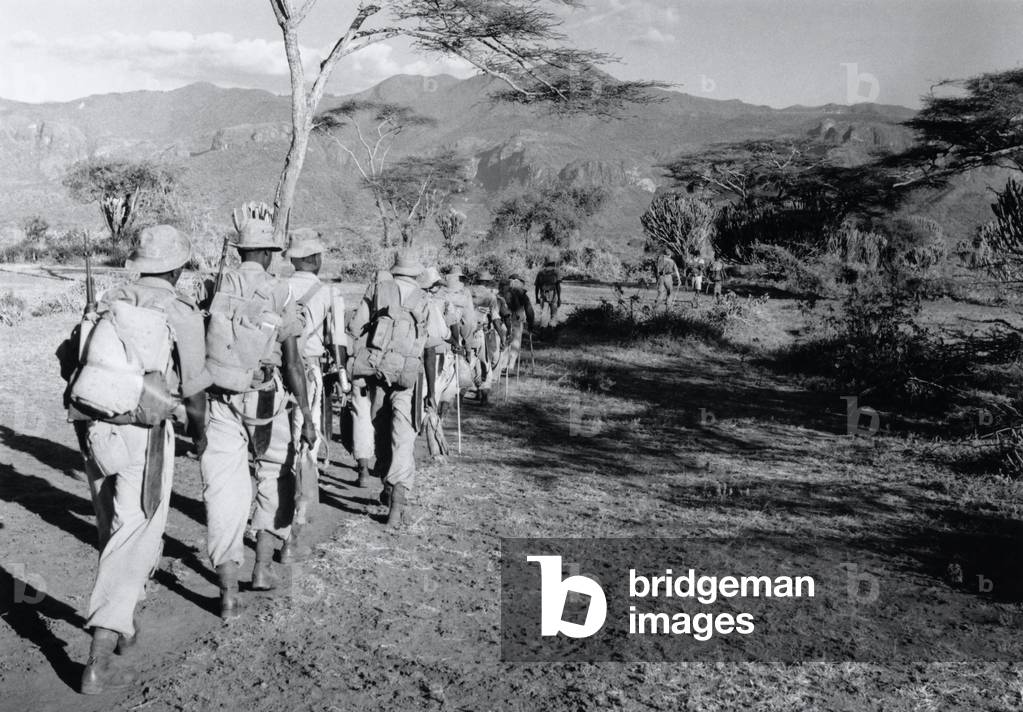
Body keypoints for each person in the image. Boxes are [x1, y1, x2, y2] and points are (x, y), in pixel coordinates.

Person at [62, 225, 210, 694]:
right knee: (135, 534)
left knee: (113, 526)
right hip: (144, 435)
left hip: (93, 428)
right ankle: (99, 657)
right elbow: (194, 389)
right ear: (178, 266)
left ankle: (123, 624)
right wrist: (200, 436)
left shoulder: (110, 299)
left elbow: (71, 362)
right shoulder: (179, 311)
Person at [199, 202, 315, 618]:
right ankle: (263, 568)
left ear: (238, 251)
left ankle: (227, 593)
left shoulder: (217, 286)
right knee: (273, 475)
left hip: (219, 399)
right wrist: (307, 414)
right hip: (265, 398)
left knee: (225, 492)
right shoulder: (280, 291)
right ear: (267, 254)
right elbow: (292, 361)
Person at [348, 253, 440, 526]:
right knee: (403, 437)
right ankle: (397, 506)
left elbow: (355, 327)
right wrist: (432, 391)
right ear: (416, 274)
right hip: (409, 378)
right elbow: (431, 348)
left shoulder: (377, 290)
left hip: (376, 372)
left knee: (381, 427)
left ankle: (386, 486)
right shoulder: (424, 299)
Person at [283, 228, 348, 562]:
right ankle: (298, 514)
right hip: (307, 371)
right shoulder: (327, 292)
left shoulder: (278, 286)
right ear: (316, 259)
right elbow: (336, 339)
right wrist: (343, 377)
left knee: (280, 441)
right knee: (305, 440)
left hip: (276, 374)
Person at [470, 270, 506, 405]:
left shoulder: (467, 292)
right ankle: (484, 396)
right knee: (485, 364)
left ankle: (474, 390)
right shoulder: (490, 296)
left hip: (466, 333)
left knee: (471, 364)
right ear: (487, 282)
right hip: (482, 333)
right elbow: (496, 319)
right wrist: (502, 336)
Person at [499, 273, 535, 373]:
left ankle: (501, 365)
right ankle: (510, 366)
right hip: (517, 318)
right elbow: (529, 309)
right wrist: (531, 323)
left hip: (504, 317)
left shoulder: (503, 291)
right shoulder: (522, 293)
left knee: (504, 340)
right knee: (515, 341)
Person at [534, 260, 562, 327]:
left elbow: (537, 286)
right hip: (553, 294)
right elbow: (558, 286)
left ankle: (543, 329)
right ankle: (552, 328)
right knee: (554, 313)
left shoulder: (540, 272)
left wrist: (536, 297)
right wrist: (559, 298)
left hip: (543, 294)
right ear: (553, 264)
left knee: (544, 313)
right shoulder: (556, 272)